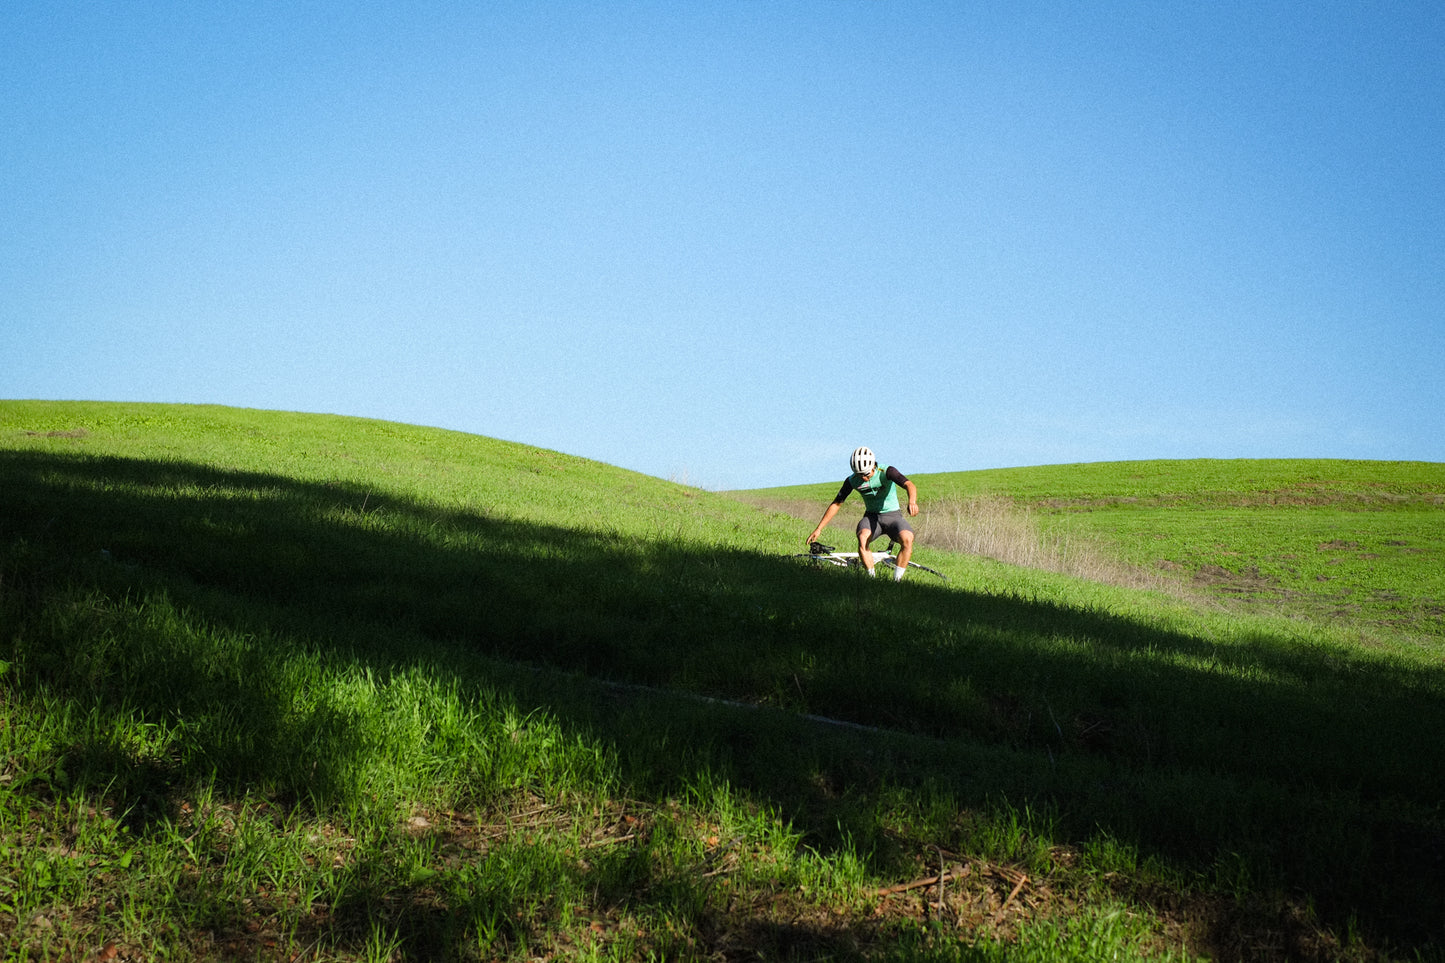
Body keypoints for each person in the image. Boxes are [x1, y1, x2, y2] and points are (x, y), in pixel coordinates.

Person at [807, 446, 919, 580]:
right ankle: (871, 579)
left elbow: (909, 485)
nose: (864, 478)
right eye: (860, 475)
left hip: (893, 516)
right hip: (871, 517)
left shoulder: (887, 471)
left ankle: (897, 581)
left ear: (873, 466)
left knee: (907, 539)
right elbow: (836, 503)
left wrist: (912, 501)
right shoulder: (852, 480)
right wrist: (819, 528)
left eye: (866, 474)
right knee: (862, 537)